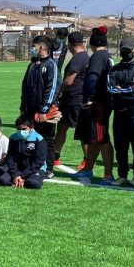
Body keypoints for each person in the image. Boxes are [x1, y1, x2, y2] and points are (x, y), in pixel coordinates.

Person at [73, 27, 115, 184]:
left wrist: (87, 97)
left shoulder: (98, 56)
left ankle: (108, 174)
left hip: (98, 102)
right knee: (94, 138)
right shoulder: (107, 55)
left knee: (102, 138)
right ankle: (88, 169)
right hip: (103, 101)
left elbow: (92, 78)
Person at [107, 38, 134, 187]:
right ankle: (122, 175)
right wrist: (131, 89)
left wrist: (121, 90)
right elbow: (111, 89)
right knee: (121, 146)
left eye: (129, 50)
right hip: (120, 113)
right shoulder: (114, 70)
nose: (126, 53)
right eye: (123, 50)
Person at [20, 34, 61, 176]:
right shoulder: (32, 65)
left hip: (45, 111)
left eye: (33, 46)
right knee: (31, 136)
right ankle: (33, 164)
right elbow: (25, 87)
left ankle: (48, 168)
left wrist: (44, 109)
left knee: (47, 139)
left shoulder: (51, 66)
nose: (32, 49)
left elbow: (52, 88)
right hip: (30, 110)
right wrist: (23, 108)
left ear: (41, 47)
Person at [54, 30, 88, 167]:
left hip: (74, 99)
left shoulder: (78, 58)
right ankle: (55, 156)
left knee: (81, 131)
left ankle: (87, 160)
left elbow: (68, 81)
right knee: (62, 127)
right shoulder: (84, 56)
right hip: (72, 99)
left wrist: (57, 92)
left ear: (70, 44)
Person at [0, 116, 47, 189]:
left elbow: (39, 161)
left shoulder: (39, 139)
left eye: (24, 129)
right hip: (18, 168)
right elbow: (10, 158)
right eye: (18, 129)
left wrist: (23, 176)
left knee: (33, 183)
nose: (21, 132)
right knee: (4, 180)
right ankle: (19, 179)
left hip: (34, 169)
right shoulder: (13, 138)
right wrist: (15, 175)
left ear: (31, 127)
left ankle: (32, 178)